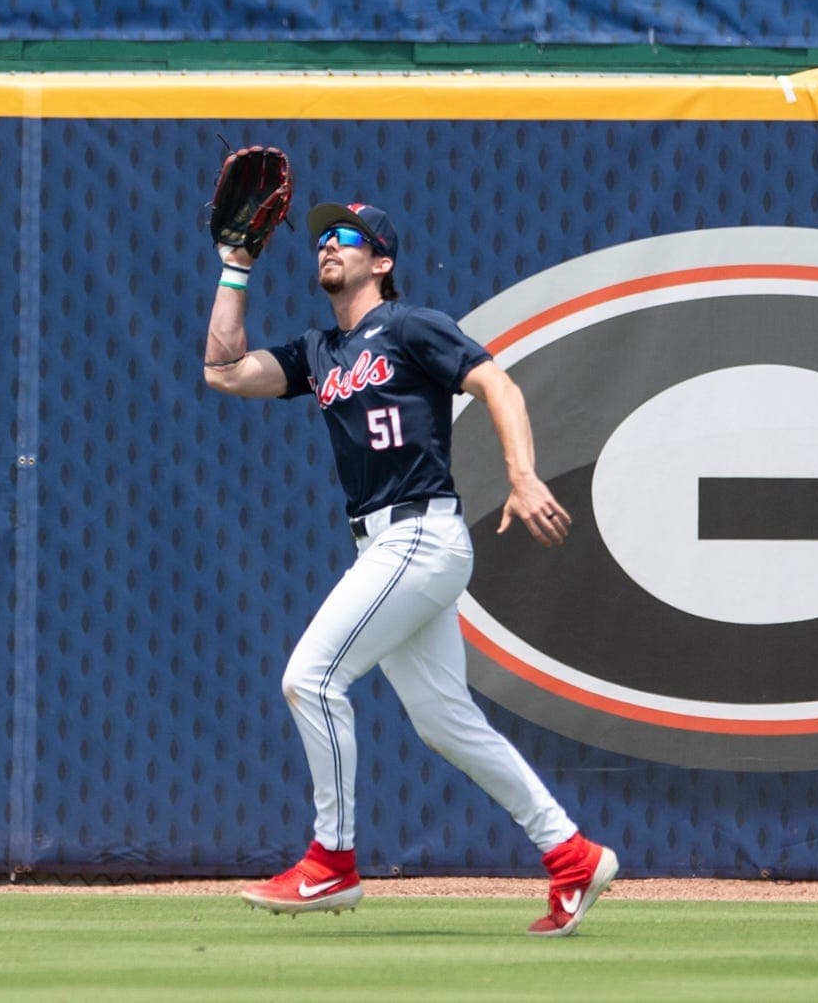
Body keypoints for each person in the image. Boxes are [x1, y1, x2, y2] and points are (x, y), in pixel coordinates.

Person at [202, 199, 618, 937]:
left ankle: (331, 860)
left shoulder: (410, 325)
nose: (328, 243)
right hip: (383, 545)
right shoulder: (319, 350)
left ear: (382, 261)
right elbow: (226, 370)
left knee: (310, 678)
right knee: (447, 722)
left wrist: (522, 474)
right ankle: (572, 852)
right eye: (322, 237)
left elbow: (497, 383)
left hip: (418, 536)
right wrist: (236, 266)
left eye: (347, 236)